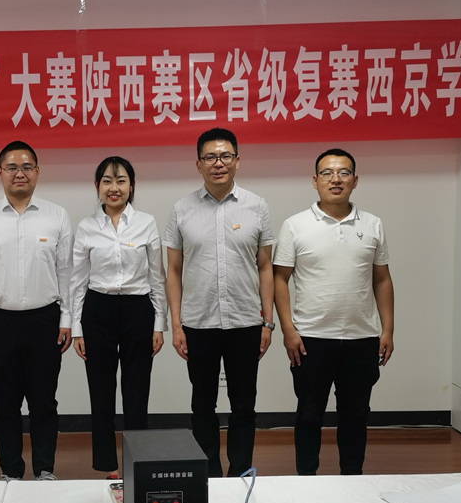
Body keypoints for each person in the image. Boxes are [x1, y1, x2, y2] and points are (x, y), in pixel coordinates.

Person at [273, 148, 395, 476]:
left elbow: (382, 279)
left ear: (355, 180)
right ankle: (306, 480)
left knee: (355, 415)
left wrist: (387, 330)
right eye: (327, 173)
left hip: (362, 338)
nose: (335, 179)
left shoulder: (373, 224)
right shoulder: (295, 225)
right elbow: (280, 279)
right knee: (309, 414)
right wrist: (288, 330)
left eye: (343, 172)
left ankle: (352, 480)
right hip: (310, 339)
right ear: (315, 181)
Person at [164, 128, 275, 478]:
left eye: (225, 156)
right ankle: (208, 472)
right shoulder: (181, 210)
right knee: (202, 404)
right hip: (199, 323)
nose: (218, 163)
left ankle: (240, 471)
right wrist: (176, 324)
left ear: (237, 161)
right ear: (198, 164)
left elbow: (266, 267)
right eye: (210, 157)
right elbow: (173, 270)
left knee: (244, 404)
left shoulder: (257, 206)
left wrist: (267, 322)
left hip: (245, 321)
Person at [0, 141, 73, 481]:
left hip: (46, 319)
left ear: (37, 172)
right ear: (0, 173)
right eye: (11, 167)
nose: (19, 173)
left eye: (27, 167)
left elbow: (67, 272)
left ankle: (44, 470)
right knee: (5, 404)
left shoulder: (57, 216)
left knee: (44, 402)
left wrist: (67, 319)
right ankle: (11, 471)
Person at [70, 156, 166, 477]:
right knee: (101, 391)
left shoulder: (146, 223)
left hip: (138, 310)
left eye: (121, 180)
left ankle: (136, 463)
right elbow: (77, 280)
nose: (114, 188)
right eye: (107, 181)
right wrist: (77, 328)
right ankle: (105, 465)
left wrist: (159, 324)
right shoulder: (86, 226)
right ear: (97, 186)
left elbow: (157, 277)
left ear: (132, 186)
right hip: (97, 310)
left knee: (137, 391)